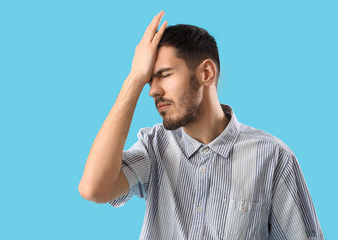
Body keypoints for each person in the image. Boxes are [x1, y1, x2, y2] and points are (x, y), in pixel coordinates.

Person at [78, 10, 324, 240]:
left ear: (206, 73)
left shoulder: (274, 158)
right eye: (148, 80)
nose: (152, 91)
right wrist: (133, 79)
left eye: (163, 74)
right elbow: (94, 189)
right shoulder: (153, 147)